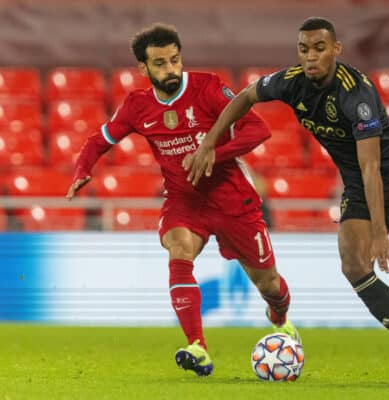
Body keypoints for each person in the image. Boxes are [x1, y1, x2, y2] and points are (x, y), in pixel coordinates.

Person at [183, 17, 389, 382]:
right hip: (360, 187)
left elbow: (371, 164)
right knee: (354, 267)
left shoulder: (356, 95)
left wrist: (380, 232)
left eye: (319, 49)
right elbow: (246, 97)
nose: (310, 57)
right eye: (303, 50)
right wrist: (208, 143)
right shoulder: (291, 82)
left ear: (336, 50)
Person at [65, 23, 299, 377]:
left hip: (233, 199)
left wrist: (214, 153)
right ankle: (198, 348)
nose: (171, 69)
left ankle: (279, 316)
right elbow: (98, 140)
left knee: (270, 285)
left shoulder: (207, 87)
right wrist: (83, 168)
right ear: (143, 69)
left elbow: (258, 129)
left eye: (175, 60)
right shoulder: (136, 106)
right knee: (178, 248)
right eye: (159, 63)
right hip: (184, 201)